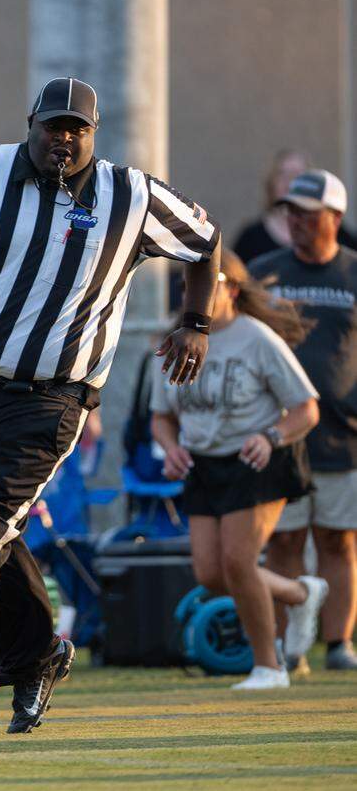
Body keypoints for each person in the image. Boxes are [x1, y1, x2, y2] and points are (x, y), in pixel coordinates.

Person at [0, 77, 221, 734]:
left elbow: (205, 245)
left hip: (51, 395)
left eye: (77, 129)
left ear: (94, 134)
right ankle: (38, 653)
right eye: (52, 126)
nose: (63, 139)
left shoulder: (131, 193)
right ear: (29, 123)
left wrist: (195, 322)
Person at [150, 251, 327, 689]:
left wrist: (270, 437)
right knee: (211, 574)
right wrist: (170, 448)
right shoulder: (174, 341)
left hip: (256, 459)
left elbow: (306, 409)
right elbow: (161, 417)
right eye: (188, 285)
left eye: (207, 283)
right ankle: (299, 593)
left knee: (239, 563)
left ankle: (269, 667)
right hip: (203, 464)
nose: (196, 294)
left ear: (231, 289)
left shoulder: (257, 338)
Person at [251, 169, 357, 671]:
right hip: (281, 434)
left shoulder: (353, 273)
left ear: (335, 217)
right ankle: (286, 650)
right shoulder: (265, 273)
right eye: (291, 212)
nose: (296, 221)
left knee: (339, 540)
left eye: (308, 214)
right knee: (284, 540)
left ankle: (338, 645)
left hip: (343, 435)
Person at [234, 150, 356, 265]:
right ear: (271, 181)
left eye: (297, 175)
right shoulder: (251, 239)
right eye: (283, 174)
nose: (290, 182)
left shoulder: (341, 239)